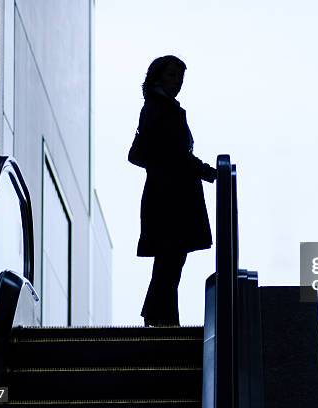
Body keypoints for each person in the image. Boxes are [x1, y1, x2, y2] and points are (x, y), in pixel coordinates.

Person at [128, 55, 217, 327]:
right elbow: (168, 153)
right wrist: (205, 171)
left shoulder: (162, 108)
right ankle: (160, 319)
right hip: (169, 198)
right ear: (157, 76)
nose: (177, 82)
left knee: (170, 262)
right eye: (172, 75)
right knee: (170, 262)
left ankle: (160, 318)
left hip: (170, 195)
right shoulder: (158, 108)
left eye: (180, 77)